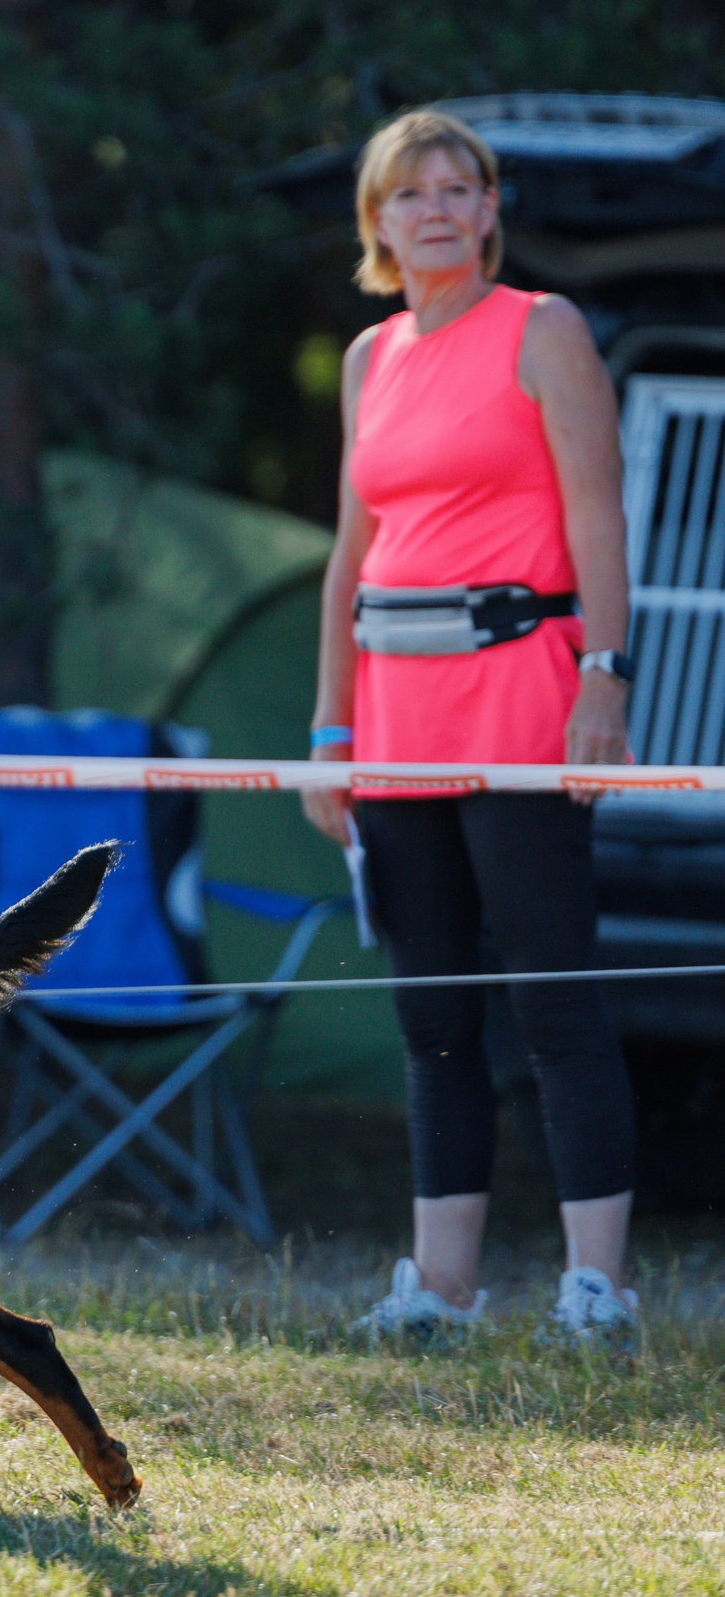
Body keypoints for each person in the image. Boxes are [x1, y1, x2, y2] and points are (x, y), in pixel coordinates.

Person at [300, 110, 638, 1344]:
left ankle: (596, 1286)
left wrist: (603, 678)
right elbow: (352, 556)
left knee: (553, 998)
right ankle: (437, 1289)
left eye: (460, 187)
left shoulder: (542, 331)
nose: (437, 208)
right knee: (431, 1010)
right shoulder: (367, 357)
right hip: (393, 712)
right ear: (377, 223)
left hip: (521, 693)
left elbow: (598, 515)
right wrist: (330, 732)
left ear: (491, 209)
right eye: (410, 192)